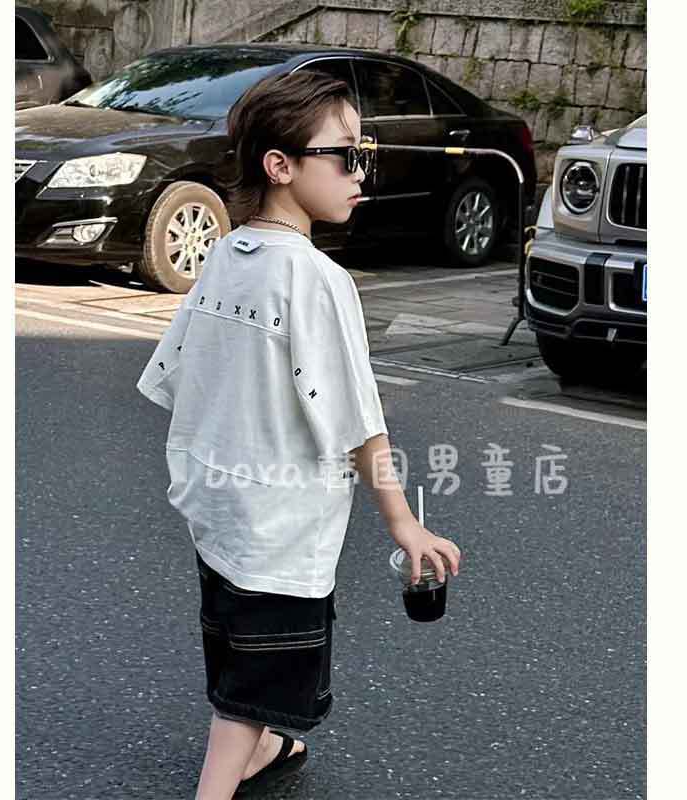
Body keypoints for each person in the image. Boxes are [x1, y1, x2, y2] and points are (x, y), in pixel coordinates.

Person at [136, 69, 463, 800]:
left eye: (363, 154)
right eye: (345, 155)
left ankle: (267, 749)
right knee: (257, 677)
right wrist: (404, 523)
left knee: (236, 645)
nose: (360, 172)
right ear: (280, 165)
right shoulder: (316, 278)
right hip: (282, 527)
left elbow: (179, 377)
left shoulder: (226, 255)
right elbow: (357, 419)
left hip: (218, 505)